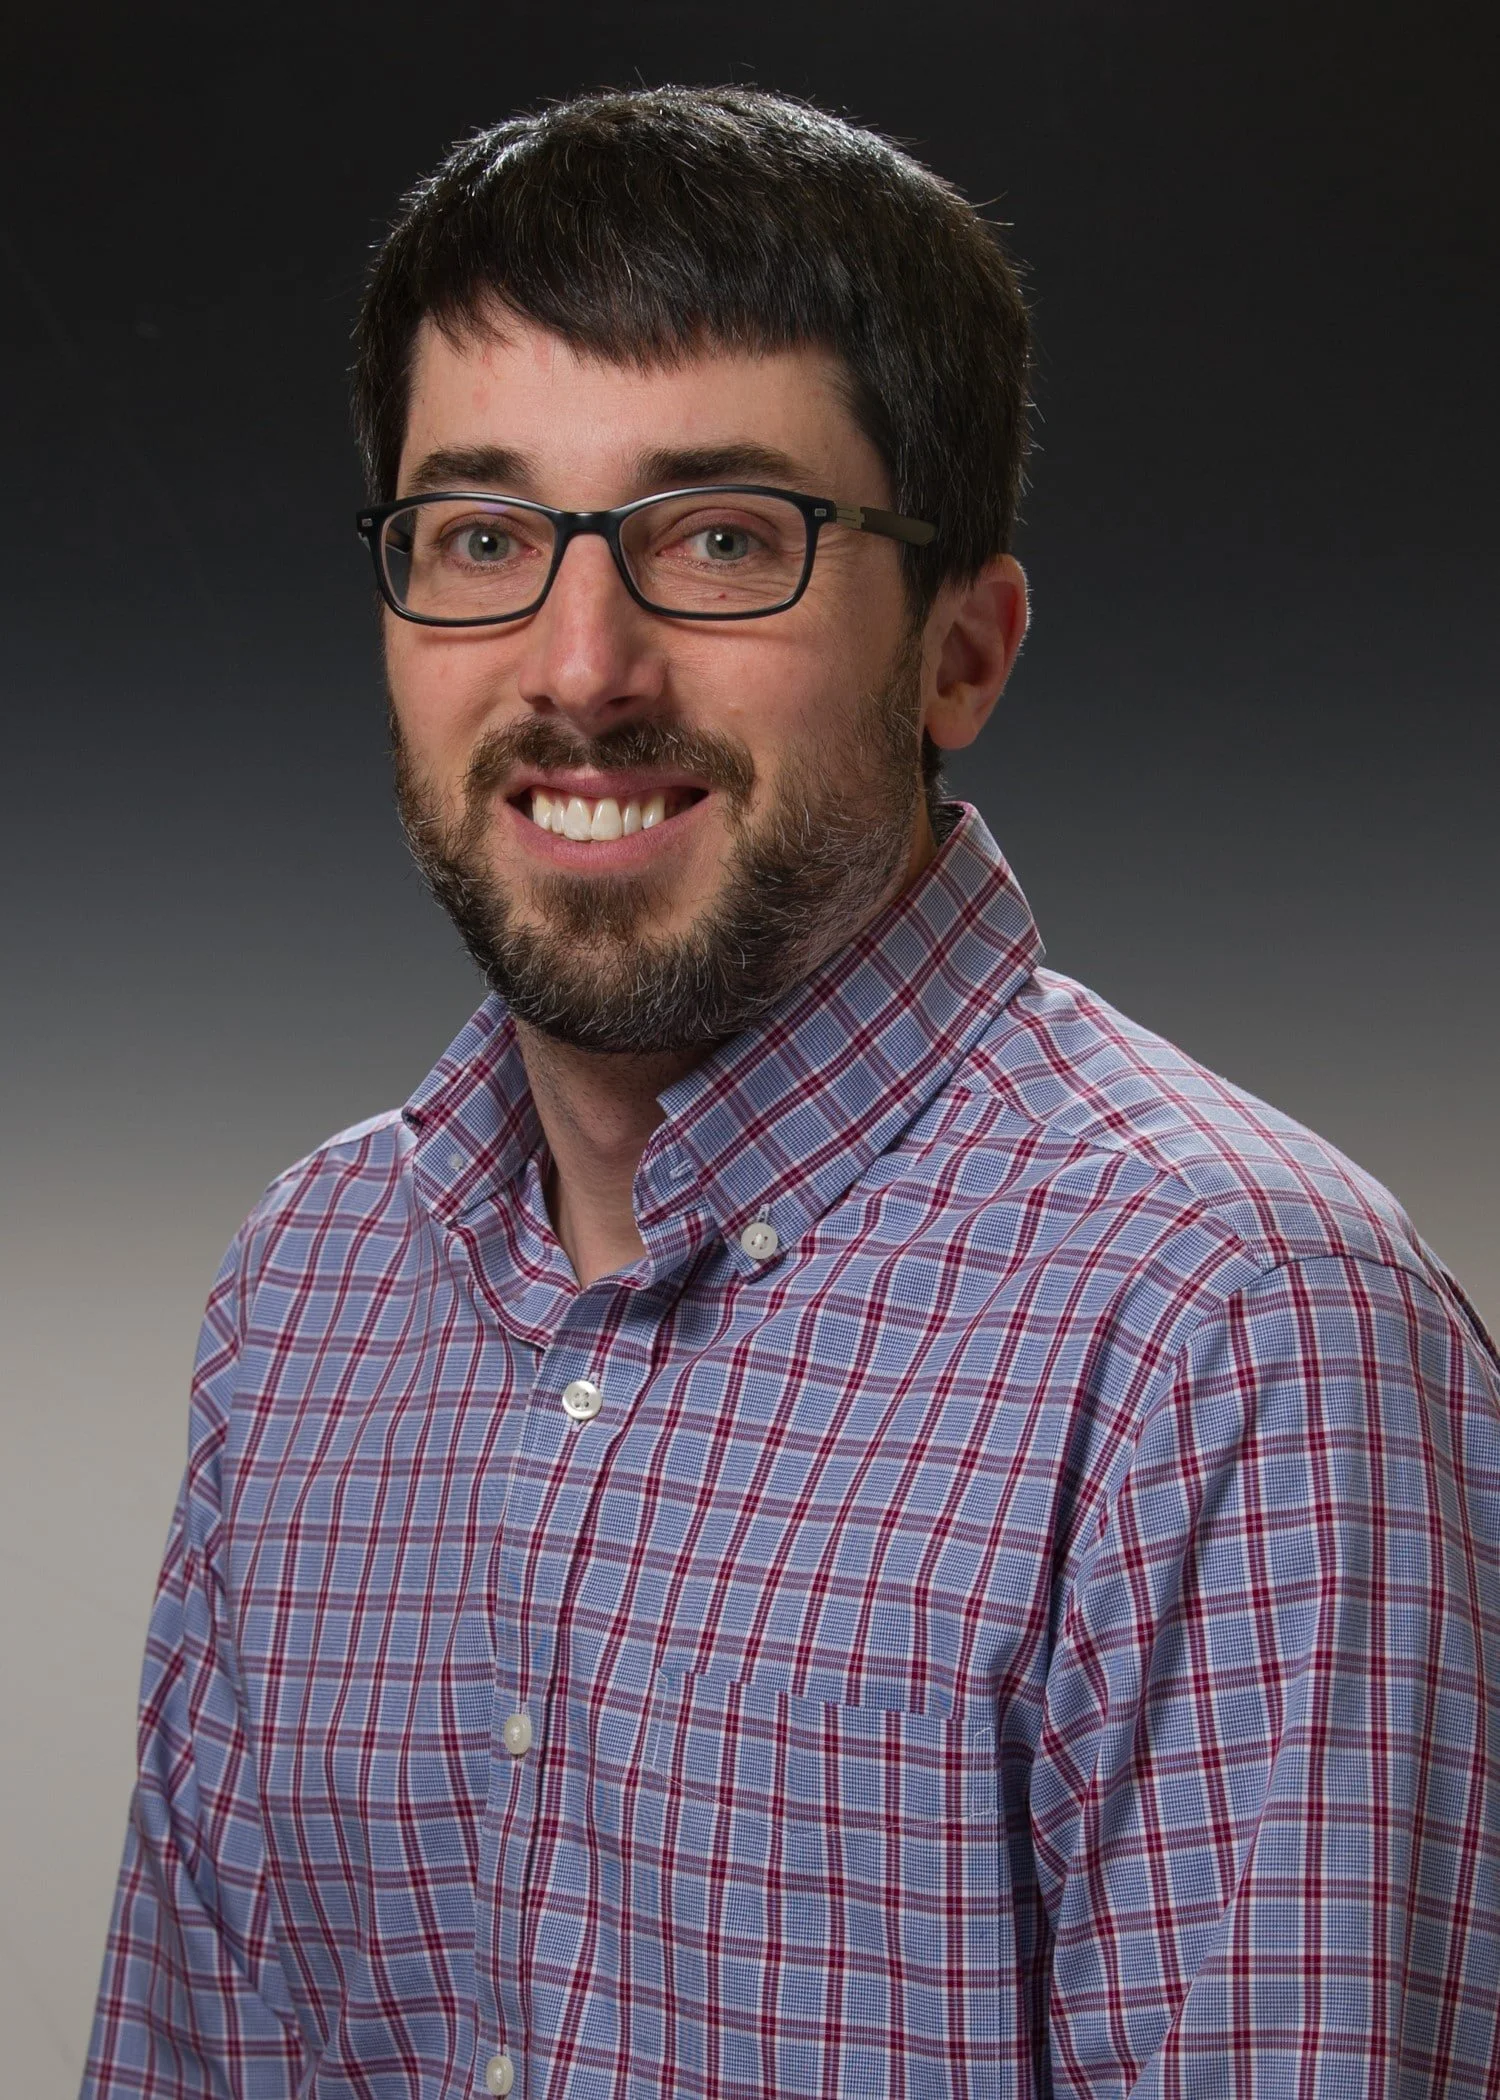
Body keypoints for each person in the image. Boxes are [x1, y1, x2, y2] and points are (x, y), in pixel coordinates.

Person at [83, 85, 1500, 2100]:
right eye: (483, 534)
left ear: (964, 652)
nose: (581, 667)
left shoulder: (1232, 1328)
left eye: (721, 538)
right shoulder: (309, 1293)